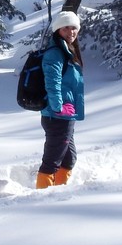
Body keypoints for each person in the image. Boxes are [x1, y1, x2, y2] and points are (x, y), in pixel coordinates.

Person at [36, 10, 85, 189]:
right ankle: (41, 196)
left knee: (69, 159)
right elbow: (52, 82)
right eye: (66, 28)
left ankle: (59, 192)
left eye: (74, 28)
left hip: (65, 116)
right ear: (58, 30)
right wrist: (58, 107)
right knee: (52, 161)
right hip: (57, 116)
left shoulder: (66, 50)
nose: (71, 32)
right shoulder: (55, 53)